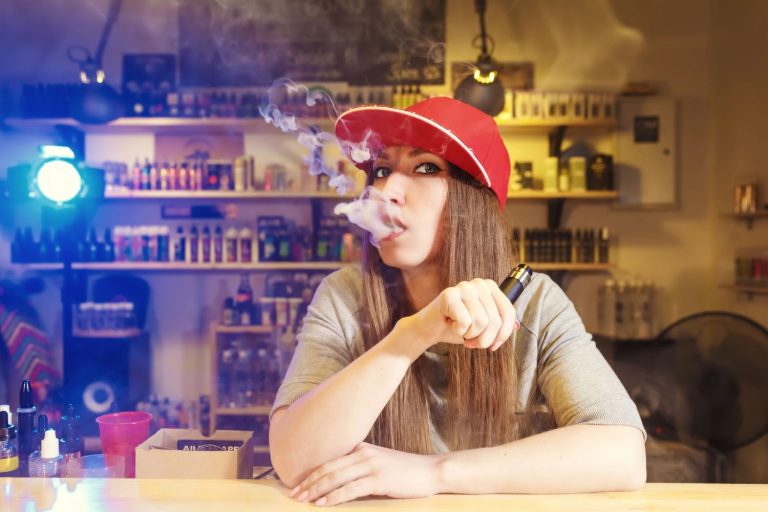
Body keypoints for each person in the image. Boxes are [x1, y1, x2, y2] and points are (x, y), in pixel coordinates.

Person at [269, 97, 646, 506]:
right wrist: (412, 336)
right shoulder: (344, 297)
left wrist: (433, 472)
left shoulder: (535, 304)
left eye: (426, 167)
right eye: (381, 170)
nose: (386, 191)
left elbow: (623, 453)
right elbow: (294, 461)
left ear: (473, 202)